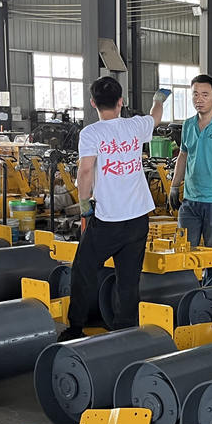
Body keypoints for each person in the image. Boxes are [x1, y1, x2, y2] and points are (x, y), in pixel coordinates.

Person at [61, 77, 167, 340]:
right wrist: (158, 99)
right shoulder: (135, 126)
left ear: (93, 103)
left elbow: (86, 170)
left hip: (108, 219)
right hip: (138, 218)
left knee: (84, 270)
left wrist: (84, 203)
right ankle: (125, 332)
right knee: (128, 278)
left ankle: (75, 328)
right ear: (121, 102)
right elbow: (155, 117)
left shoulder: (91, 133)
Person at [168, 74, 212, 287]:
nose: (199, 99)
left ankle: (209, 294)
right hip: (190, 201)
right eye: (195, 94)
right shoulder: (188, 125)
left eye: (205, 95)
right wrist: (174, 186)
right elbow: (183, 156)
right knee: (184, 252)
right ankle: (186, 292)